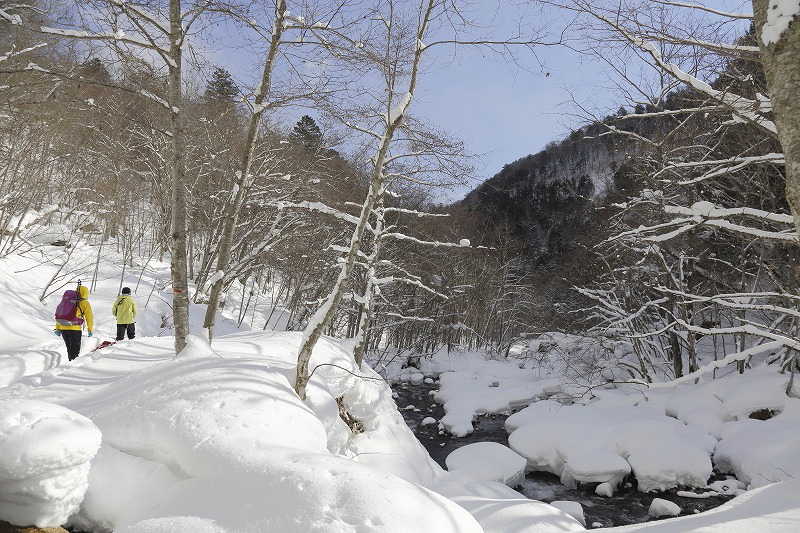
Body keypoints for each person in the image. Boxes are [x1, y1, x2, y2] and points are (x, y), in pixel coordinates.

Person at [54, 285, 93, 361]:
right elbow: (89, 318)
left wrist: (57, 328)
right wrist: (90, 329)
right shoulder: (84, 303)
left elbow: (61, 315)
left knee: (69, 349)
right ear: (85, 293)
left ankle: (70, 362)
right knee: (75, 350)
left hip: (63, 327)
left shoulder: (66, 300)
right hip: (74, 328)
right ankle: (72, 367)